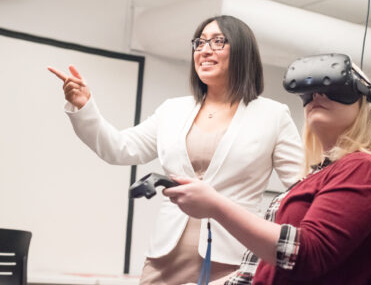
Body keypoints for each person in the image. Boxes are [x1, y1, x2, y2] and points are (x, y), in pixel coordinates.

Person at [48, 15, 303, 285]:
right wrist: (85, 106)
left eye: (218, 42)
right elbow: (118, 149)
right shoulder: (173, 110)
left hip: (233, 256)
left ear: (242, 52)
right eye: (200, 42)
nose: (205, 50)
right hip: (166, 256)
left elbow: (301, 188)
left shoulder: (273, 115)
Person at [162, 61, 371, 284]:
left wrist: (216, 206)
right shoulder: (317, 175)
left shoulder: (364, 169)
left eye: (334, 88)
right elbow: (259, 269)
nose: (317, 95)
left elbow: (306, 256)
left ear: (367, 104)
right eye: (308, 93)